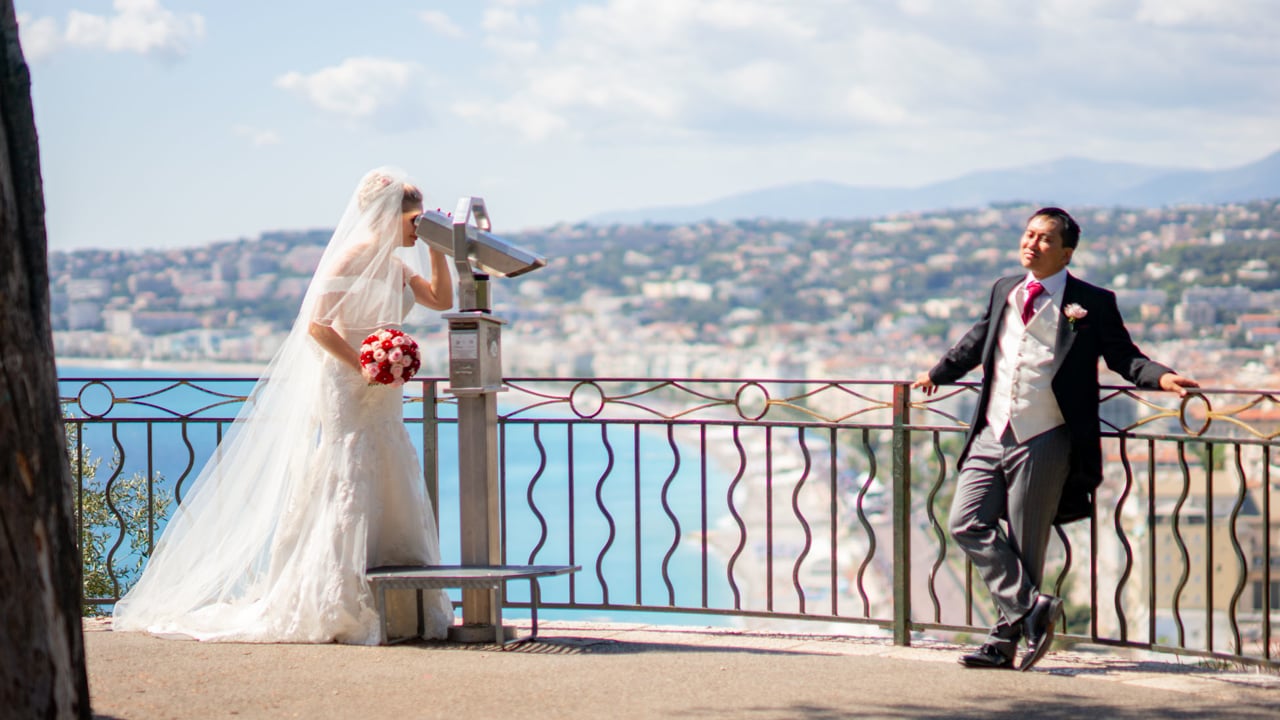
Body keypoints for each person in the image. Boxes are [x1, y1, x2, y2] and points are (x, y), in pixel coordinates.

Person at [113, 167, 455, 644]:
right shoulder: (348, 260)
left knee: (391, 465)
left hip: (386, 389)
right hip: (349, 383)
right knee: (348, 470)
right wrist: (364, 363)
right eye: (414, 221)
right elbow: (319, 326)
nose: (415, 230)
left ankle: (397, 596)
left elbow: (442, 299)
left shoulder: (397, 268)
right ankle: (337, 596)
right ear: (385, 216)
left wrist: (439, 248)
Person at [912, 207, 1198, 671]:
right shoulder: (1005, 289)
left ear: (1066, 252)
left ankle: (1001, 645)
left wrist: (1161, 378)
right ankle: (1031, 606)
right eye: (1028, 234)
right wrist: (936, 374)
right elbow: (976, 341)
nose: (1032, 244)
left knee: (1026, 544)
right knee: (965, 520)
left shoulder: (1093, 302)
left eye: (1045, 239)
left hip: (1045, 435)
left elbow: (1124, 357)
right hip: (991, 429)